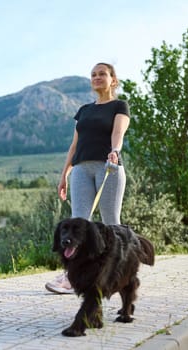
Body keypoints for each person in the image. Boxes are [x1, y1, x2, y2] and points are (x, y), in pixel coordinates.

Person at [45, 62, 131, 294]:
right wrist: (65, 174)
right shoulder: (83, 110)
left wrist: (115, 151)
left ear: (113, 79)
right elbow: (74, 145)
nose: (96, 77)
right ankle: (71, 278)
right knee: (77, 225)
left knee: (111, 222)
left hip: (108, 167)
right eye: (93, 75)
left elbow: (118, 133)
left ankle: (117, 274)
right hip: (81, 169)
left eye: (102, 74)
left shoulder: (119, 106)